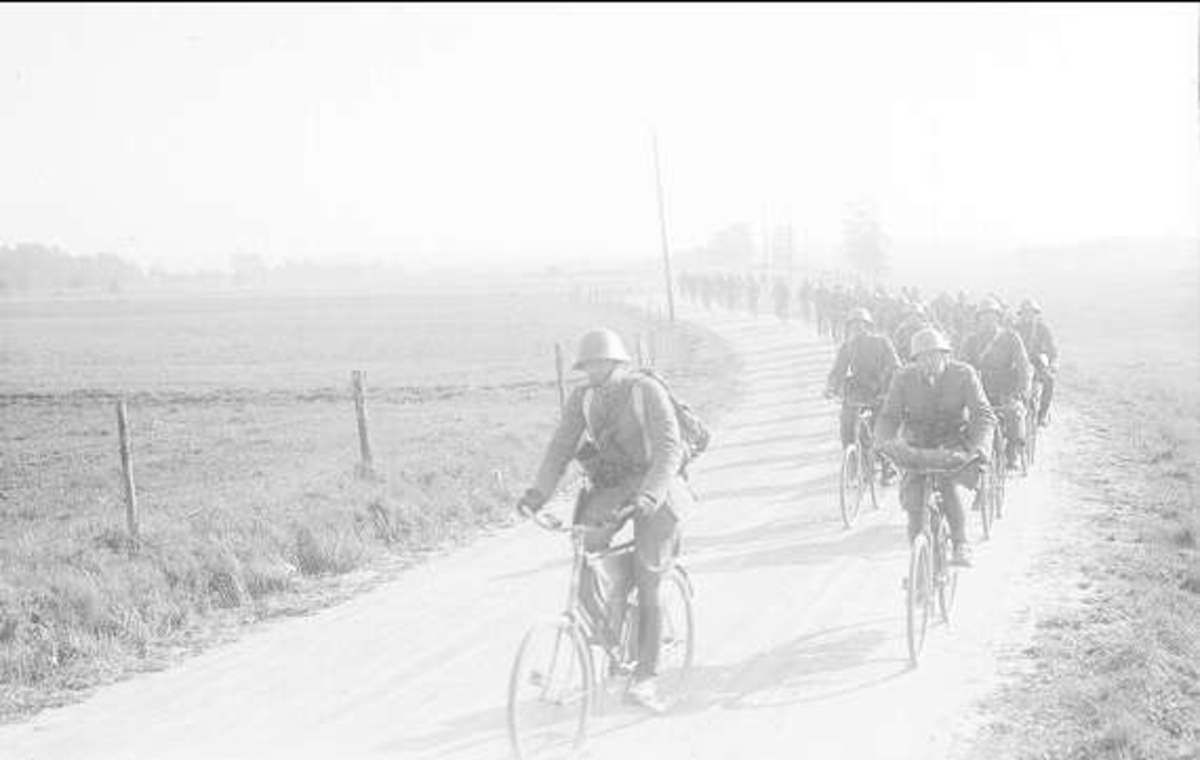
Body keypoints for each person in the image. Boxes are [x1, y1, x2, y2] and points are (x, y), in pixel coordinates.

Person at [516, 328, 690, 712]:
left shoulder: (646, 391)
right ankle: (612, 638)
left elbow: (668, 448)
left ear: (618, 362)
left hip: (657, 489)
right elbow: (560, 448)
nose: (594, 371)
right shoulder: (583, 398)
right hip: (613, 489)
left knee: (648, 576)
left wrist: (650, 495)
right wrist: (537, 494)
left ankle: (646, 678)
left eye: (601, 364)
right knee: (583, 554)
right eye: (588, 365)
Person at [875, 327, 996, 567]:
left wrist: (981, 446)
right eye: (922, 357)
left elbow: (983, 415)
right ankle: (920, 568)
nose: (928, 362)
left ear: (945, 354)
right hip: (917, 445)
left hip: (952, 443)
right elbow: (889, 417)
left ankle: (961, 543)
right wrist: (883, 441)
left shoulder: (964, 374)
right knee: (914, 505)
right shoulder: (904, 378)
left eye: (934, 355)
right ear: (915, 360)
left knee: (946, 484)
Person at [824, 307, 902, 484]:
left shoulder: (882, 342)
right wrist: (830, 387)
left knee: (882, 428)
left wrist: (891, 388)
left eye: (861, 324)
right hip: (857, 394)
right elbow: (837, 372)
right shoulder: (847, 347)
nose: (858, 328)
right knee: (846, 423)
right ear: (849, 328)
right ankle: (852, 463)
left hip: (880, 391)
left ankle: (887, 467)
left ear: (868, 326)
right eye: (853, 325)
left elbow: (896, 367)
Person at [960, 297, 1033, 469]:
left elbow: (1023, 365)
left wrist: (1023, 389)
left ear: (998, 318)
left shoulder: (1011, 337)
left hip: (1007, 390)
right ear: (978, 319)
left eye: (992, 316)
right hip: (979, 391)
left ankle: (1013, 451)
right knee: (963, 421)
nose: (988, 320)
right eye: (984, 316)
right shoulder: (970, 340)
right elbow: (961, 368)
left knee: (1015, 413)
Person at [1015, 298, 1058, 427]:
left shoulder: (1042, 328)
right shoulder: (1015, 328)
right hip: (1017, 364)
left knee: (1049, 380)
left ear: (1036, 314)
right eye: (1025, 312)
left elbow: (1052, 348)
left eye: (1031, 312)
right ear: (1021, 314)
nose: (1028, 315)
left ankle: (1043, 413)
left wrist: (1053, 363)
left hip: (1036, 363)